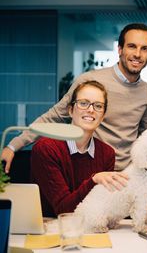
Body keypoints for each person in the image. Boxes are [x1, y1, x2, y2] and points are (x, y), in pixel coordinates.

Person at [2, 23, 147, 172]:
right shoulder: (90, 81)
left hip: (127, 175)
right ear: (120, 49)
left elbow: (145, 135)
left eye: (145, 49)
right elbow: (54, 116)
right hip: (92, 171)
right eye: (132, 46)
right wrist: (13, 146)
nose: (138, 54)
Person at [30, 81, 129, 217]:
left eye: (98, 106)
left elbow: (101, 205)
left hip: (88, 228)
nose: (90, 109)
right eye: (83, 103)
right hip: (49, 229)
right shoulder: (46, 148)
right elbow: (63, 210)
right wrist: (94, 180)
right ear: (71, 110)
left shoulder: (107, 153)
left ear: (103, 116)